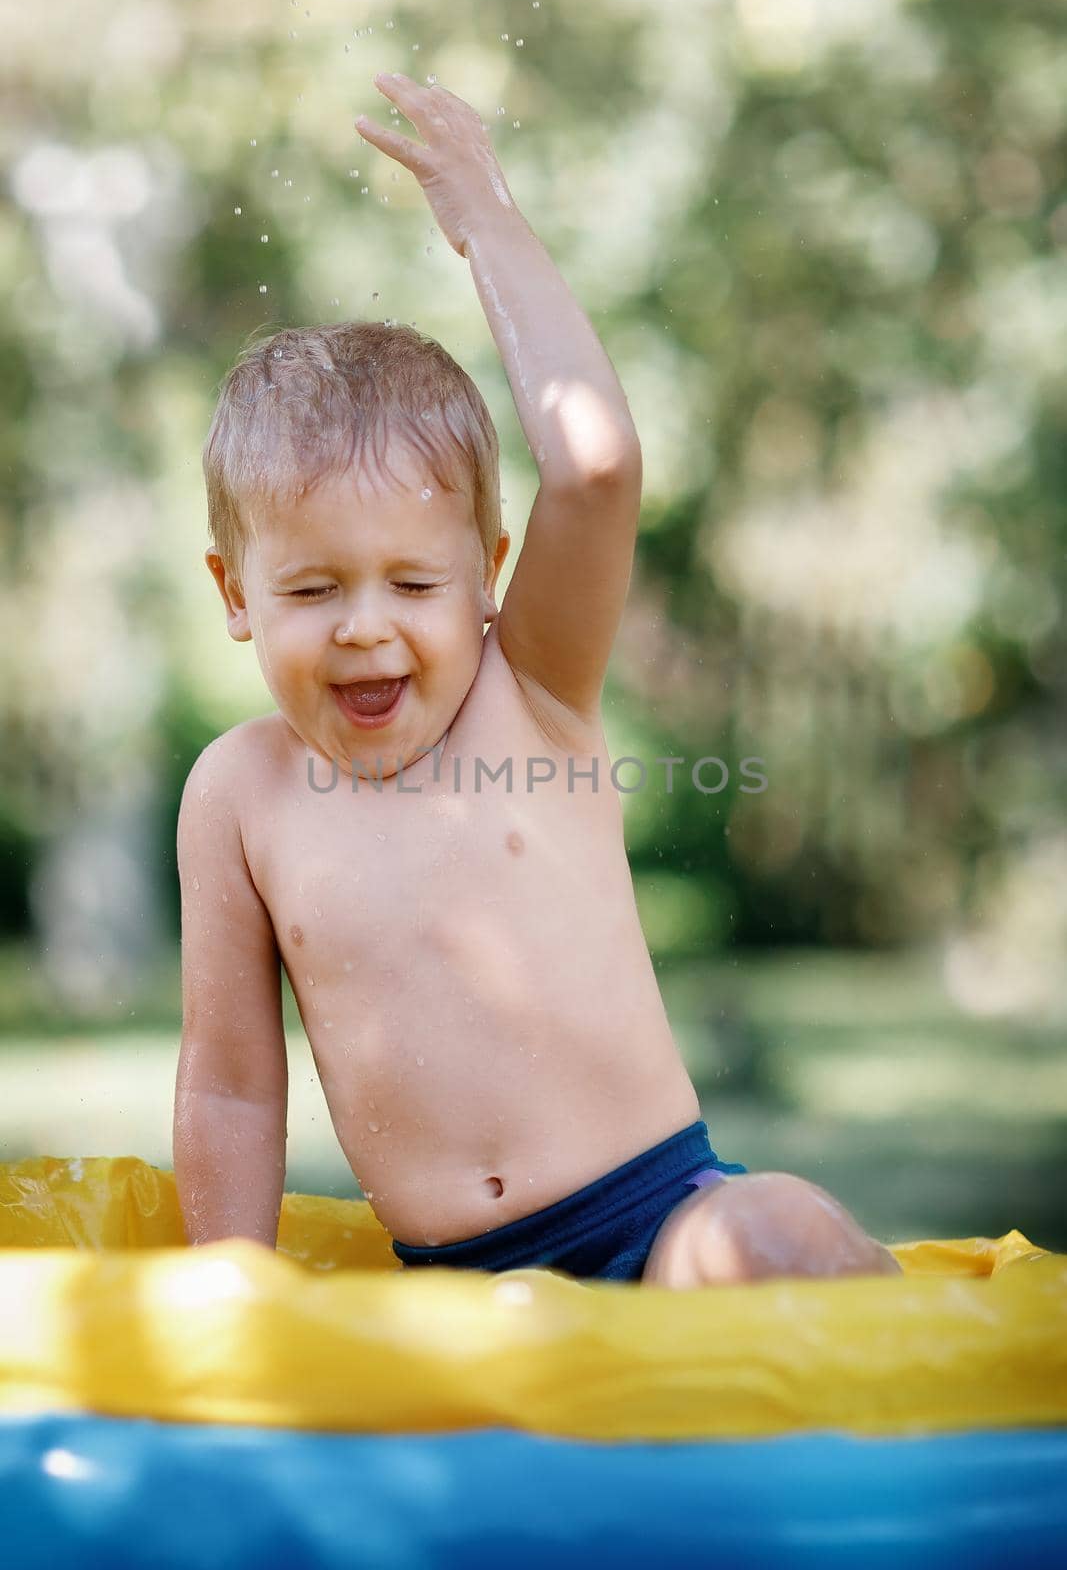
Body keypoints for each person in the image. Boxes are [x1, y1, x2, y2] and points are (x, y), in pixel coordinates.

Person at [173, 72, 901, 1289]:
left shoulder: (535, 691)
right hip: (457, 1287)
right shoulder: (240, 793)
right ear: (236, 593)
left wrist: (484, 219)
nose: (366, 630)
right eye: (312, 591)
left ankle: (928, 1433)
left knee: (783, 1233)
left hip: (657, 1225)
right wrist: (227, 1306)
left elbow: (597, 469)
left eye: (413, 585)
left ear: (487, 577)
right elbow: (232, 1087)